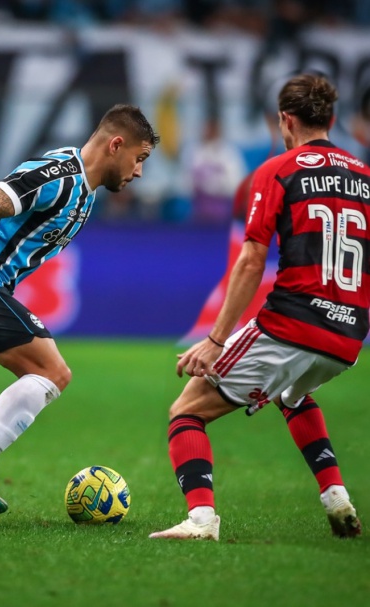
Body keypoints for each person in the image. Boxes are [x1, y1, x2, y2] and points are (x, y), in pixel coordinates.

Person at [150, 73, 364, 541]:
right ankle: (336, 498)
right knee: (292, 394)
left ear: (285, 120)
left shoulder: (279, 170)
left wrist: (214, 340)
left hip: (293, 323)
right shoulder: (365, 178)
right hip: (348, 337)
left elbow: (250, 261)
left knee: (186, 410)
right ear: (331, 119)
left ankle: (202, 520)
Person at [0, 104, 159, 514]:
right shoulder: (61, 173)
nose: (138, 171)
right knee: (52, 372)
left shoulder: (85, 194)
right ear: (116, 145)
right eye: (139, 158)